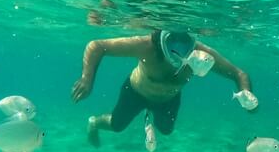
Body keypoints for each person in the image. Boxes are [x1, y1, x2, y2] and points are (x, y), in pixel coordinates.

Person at [71, 30, 252, 145]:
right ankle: (94, 122)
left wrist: (248, 97)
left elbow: (239, 74)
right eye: (173, 43)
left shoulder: (200, 54)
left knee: (165, 130)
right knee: (117, 125)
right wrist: (87, 79)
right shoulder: (146, 46)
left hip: (169, 99)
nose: (178, 52)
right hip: (136, 91)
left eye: (184, 45)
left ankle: (149, 117)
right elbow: (96, 46)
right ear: (162, 38)